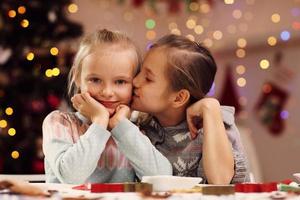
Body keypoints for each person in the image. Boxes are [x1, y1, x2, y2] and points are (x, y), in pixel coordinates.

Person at [109, 34, 250, 184]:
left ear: (178, 98)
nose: (135, 81)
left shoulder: (214, 123)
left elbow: (221, 180)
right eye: (139, 72)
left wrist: (210, 107)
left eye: (148, 78)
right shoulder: (136, 123)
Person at [42, 29, 172, 184]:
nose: (107, 92)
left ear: (134, 82)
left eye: (120, 82)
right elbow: (71, 177)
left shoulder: (137, 127)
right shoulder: (59, 123)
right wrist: (99, 122)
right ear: (77, 77)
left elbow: (162, 178)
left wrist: (120, 126)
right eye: (95, 80)